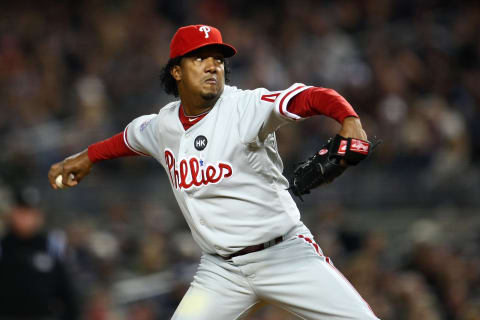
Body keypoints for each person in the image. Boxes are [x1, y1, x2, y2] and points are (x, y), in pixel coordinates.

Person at [48, 25, 378, 319]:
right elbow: (128, 138)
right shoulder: (163, 125)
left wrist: (348, 119)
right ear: (176, 71)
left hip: (285, 254)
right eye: (199, 58)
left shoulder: (245, 107)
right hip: (221, 271)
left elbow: (307, 97)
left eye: (218, 59)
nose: (212, 66)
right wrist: (87, 157)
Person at [0, 193, 79, 320]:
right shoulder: (3, 246)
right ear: (13, 213)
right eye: (22, 212)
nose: (26, 218)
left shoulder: (50, 246)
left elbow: (66, 291)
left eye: (31, 213)